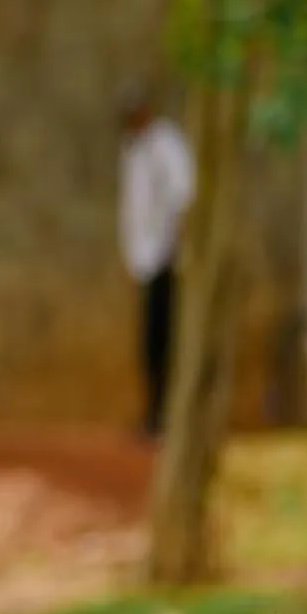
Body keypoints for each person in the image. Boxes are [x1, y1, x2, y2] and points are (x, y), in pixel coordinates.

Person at [118, 89, 196, 437]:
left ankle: (165, 416)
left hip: (166, 256)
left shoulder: (166, 146)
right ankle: (154, 413)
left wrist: (177, 247)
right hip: (145, 258)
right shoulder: (134, 150)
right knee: (150, 341)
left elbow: (181, 197)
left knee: (163, 339)